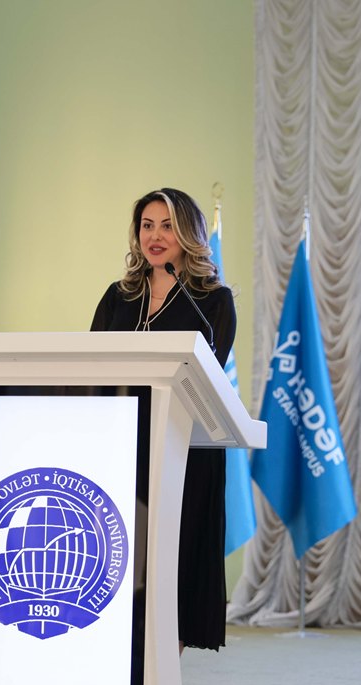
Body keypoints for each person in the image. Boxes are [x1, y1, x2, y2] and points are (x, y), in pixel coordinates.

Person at [91, 187, 236, 651]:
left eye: (168, 226)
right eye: (147, 225)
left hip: (185, 448)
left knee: (175, 563)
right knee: (121, 561)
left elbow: (208, 377)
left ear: (188, 234)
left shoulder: (212, 300)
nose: (155, 236)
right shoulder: (119, 297)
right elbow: (92, 363)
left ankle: (163, 672)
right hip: (122, 444)